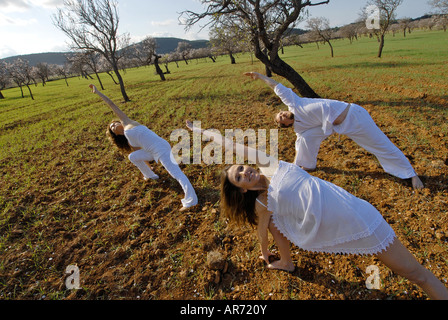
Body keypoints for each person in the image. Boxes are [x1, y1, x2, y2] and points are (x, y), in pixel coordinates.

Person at [186, 120, 448, 300]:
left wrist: (203, 132)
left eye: (241, 168)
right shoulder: (263, 203)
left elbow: (231, 146)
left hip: (360, 217)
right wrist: (266, 254)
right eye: (240, 177)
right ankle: (286, 262)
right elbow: (264, 231)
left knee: (415, 274)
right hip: (340, 229)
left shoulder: (268, 164)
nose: (245, 171)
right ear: (242, 189)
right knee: (276, 222)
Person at [243, 72, 424, 190]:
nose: (282, 114)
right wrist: (296, 166)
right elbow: (303, 141)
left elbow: (276, 86)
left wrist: (259, 76)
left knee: (380, 145)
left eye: (280, 112)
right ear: (286, 125)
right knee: (305, 139)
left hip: (355, 116)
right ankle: (305, 166)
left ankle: (411, 174)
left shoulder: (294, 102)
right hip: (342, 127)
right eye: (280, 118)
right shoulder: (300, 128)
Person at [90, 84, 198, 211]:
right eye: (112, 128)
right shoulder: (130, 141)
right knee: (133, 156)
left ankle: (191, 201)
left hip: (161, 148)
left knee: (176, 174)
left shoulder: (127, 122)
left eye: (114, 123)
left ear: (119, 121)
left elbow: (111, 104)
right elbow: (141, 154)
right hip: (153, 151)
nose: (114, 125)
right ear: (116, 134)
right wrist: (149, 166)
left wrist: (98, 92)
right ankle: (150, 175)